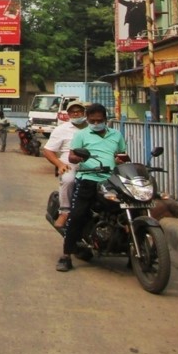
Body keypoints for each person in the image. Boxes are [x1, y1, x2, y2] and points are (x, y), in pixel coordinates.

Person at [55, 102, 127, 272]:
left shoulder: (116, 135)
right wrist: (79, 159)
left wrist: (121, 160)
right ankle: (66, 255)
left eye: (99, 120)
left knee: (126, 209)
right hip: (88, 178)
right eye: (92, 121)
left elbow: (122, 154)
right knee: (77, 214)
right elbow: (72, 156)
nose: (96, 123)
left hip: (111, 180)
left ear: (105, 120)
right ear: (87, 120)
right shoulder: (82, 135)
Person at [42, 100, 87, 231]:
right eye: (73, 112)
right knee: (69, 180)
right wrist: (59, 164)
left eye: (79, 111)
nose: (76, 114)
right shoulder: (61, 130)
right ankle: (65, 212)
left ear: (84, 113)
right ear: (68, 114)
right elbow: (48, 150)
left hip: (93, 163)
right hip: (69, 163)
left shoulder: (92, 128)